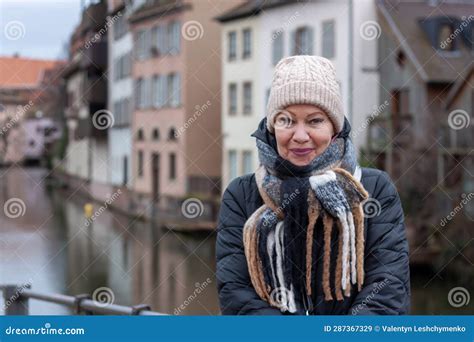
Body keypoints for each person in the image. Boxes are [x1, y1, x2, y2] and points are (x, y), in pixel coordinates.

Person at [216, 55, 410, 315]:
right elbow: (236, 294)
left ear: (334, 127)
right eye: (286, 120)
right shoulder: (241, 196)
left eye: (315, 120)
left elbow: (387, 288)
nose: (299, 135)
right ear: (273, 126)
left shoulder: (372, 190)